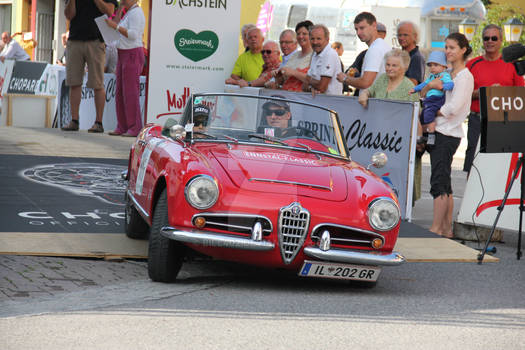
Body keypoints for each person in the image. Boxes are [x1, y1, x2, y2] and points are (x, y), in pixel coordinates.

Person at [420, 33, 474, 238]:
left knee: (439, 181)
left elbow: (454, 107)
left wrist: (431, 112)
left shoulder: (465, 76)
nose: (448, 51)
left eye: (452, 47)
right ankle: (445, 229)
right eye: (446, 47)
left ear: (463, 50)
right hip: (441, 130)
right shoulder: (448, 72)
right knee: (445, 182)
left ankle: (436, 229)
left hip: (448, 132)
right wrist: (429, 88)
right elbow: (425, 93)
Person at [463, 24, 524, 174]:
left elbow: (521, 93)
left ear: (501, 41)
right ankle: (473, 197)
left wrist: (501, 92)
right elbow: (462, 93)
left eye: (494, 38)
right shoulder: (472, 65)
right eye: (486, 38)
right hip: (478, 120)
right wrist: (486, 92)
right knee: (474, 163)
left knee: (500, 164)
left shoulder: (511, 64)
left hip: (504, 121)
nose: (490, 41)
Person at [61, 0, 118, 133]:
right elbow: (69, 15)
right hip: (75, 40)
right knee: (74, 83)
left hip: (96, 40)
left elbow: (110, 11)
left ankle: (98, 123)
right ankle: (74, 121)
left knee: (98, 83)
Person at [104, 0, 145, 137]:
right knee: (121, 92)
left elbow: (133, 35)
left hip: (132, 53)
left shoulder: (136, 13)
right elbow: (116, 27)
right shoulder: (129, 13)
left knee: (130, 93)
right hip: (123, 53)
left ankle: (134, 127)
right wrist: (120, 11)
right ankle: (122, 126)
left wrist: (115, 26)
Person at [337, 13, 391, 95]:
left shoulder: (375, 49)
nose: (358, 33)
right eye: (356, 29)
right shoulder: (382, 46)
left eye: (362, 28)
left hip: (373, 104)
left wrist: (344, 78)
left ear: (374, 25)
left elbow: (365, 82)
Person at [410, 51, 454, 146]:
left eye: (436, 65)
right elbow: (424, 84)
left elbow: (451, 84)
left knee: (429, 114)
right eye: (430, 65)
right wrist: (415, 89)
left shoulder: (444, 75)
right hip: (429, 100)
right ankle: (422, 135)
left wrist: (442, 87)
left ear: (443, 66)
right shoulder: (431, 76)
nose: (432, 67)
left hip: (437, 99)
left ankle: (431, 135)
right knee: (422, 116)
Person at [272, 20, 313, 92]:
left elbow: (315, 80)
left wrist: (293, 73)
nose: (300, 36)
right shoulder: (295, 55)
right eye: (298, 34)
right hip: (288, 96)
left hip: (302, 98)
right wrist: (278, 77)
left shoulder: (315, 56)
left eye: (304, 34)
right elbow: (283, 80)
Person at [304, 24, 342, 95]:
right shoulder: (315, 54)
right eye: (312, 39)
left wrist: (310, 81)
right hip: (318, 102)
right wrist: (311, 86)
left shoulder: (329, 54)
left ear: (327, 39)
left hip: (330, 103)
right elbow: (304, 86)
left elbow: (322, 87)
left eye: (319, 39)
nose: (315, 42)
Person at [396, 21, 425, 86]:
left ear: (415, 36)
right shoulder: (400, 55)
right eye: (399, 35)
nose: (401, 38)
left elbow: (412, 84)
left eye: (405, 35)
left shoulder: (416, 57)